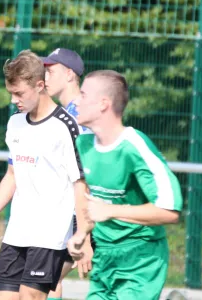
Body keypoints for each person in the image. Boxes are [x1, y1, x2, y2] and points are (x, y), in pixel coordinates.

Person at [0, 50, 91, 300]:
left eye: (19, 93)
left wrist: (84, 234)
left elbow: (80, 184)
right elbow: (12, 175)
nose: (14, 100)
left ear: (40, 85)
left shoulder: (66, 126)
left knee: (30, 296)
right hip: (18, 230)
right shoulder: (15, 123)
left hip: (51, 234)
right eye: (11, 93)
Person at [67, 70, 183, 300]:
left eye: (82, 94)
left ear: (103, 104)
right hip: (105, 258)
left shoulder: (135, 147)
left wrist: (111, 211)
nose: (76, 101)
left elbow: (170, 211)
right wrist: (82, 233)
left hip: (140, 257)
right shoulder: (84, 144)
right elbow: (91, 198)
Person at [41, 48, 93, 300]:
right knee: (46, 282)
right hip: (70, 215)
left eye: (51, 71)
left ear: (70, 74)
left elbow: (88, 174)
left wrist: (85, 230)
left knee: (41, 281)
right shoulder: (65, 113)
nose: (45, 77)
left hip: (83, 217)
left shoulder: (81, 114)